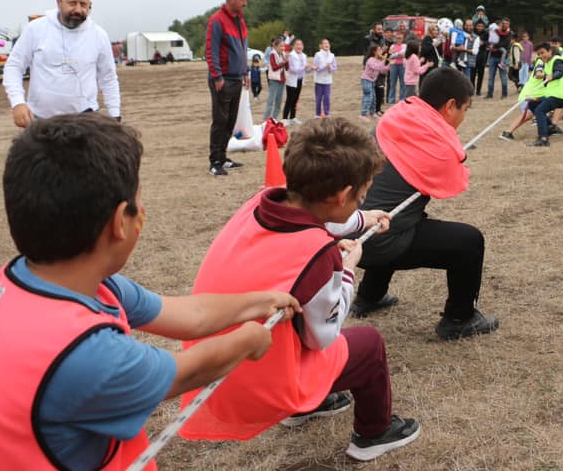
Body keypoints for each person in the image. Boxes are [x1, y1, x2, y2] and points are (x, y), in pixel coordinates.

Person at [0, 113, 301, 470]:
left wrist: (261, 301)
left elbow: (189, 315)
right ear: (118, 224)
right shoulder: (87, 353)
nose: (143, 210)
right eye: (138, 202)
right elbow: (184, 372)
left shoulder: (35, 282)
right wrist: (247, 341)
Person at [177, 118, 420, 462]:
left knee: (298, 321)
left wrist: (365, 219)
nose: (362, 201)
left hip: (217, 367)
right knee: (368, 345)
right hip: (257, 385)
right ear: (342, 195)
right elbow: (322, 336)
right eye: (362, 195)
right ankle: (373, 433)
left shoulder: (263, 202)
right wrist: (347, 271)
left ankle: (315, 403)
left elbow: (326, 219)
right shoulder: (318, 256)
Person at [350, 68, 499, 340]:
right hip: (377, 240)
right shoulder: (433, 140)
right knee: (469, 241)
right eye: (465, 109)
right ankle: (459, 318)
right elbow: (454, 182)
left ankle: (369, 297)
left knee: (401, 218)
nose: (464, 118)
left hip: (352, 233)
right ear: (450, 105)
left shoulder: (398, 116)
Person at [4, 0, 121, 128]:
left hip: (86, 121)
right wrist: (18, 103)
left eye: (83, 4)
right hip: (41, 122)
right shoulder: (36, 29)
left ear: (89, 5)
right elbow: (14, 66)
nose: (78, 9)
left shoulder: (99, 36)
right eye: (72, 3)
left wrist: (115, 115)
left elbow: (108, 78)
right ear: (59, 3)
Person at [205, 0, 250, 176]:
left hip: (237, 77)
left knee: (230, 120)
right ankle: (215, 161)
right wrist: (217, 76)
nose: (244, 3)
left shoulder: (240, 20)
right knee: (220, 119)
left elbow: (242, 48)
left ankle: (223, 157)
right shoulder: (217, 21)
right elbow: (211, 50)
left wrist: (245, 71)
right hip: (223, 79)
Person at [525, 42, 563, 147]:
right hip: (552, 94)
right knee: (532, 104)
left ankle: (543, 139)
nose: (541, 56)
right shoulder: (547, 63)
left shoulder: (557, 60)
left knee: (540, 110)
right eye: (539, 54)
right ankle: (551, 127)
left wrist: (553, 76)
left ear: (550, 51)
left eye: (543, 53)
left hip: (560, 96)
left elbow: (559, 72)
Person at [360, 43, 389, 120]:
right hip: (366, 80)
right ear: (374, 52)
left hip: (372, 81)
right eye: (379, 50)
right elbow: (377, 67)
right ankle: (362, 114)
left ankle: (372, 113)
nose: (381, 51)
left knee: (373, 98)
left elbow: (382, 70)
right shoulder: (370, 60)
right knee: (368, 97)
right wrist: (384, 60)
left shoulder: (378, 60)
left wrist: (390, 65)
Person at [486, 18, 511, 98]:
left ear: (509, 25)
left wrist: (495, 47)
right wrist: (490, 45)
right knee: (490, 77)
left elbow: (505, 43)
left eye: (506, 23)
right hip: (493, 57)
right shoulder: (495, 31)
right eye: (503, 23)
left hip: (503, 58)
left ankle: (504, 94)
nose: (504, 25)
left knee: (503, 77)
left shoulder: (509, 33)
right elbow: (489, 39)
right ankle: (489, 94)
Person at [263, 37, 287, 121]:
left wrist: (287, 61)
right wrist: (283, 63)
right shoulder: (272, 54)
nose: (283, 48)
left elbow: (287, 68)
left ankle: (274, 120)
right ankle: (265, 121)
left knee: (278, 102)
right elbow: (274, 67)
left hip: (282, 80)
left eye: (284, 46)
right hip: (274, 80)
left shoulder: (284, 54)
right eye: (281, 46)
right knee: (271, 101)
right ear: (275, 46)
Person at [313, 39, 337, 118]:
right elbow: (316, 68)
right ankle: (317, 114)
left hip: (328, 81)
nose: (327, 45)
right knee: (318, 98)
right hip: (319, 81)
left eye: (328, 43)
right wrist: (324, 66)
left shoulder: (332, 55)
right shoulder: (318, 54)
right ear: (320, 45)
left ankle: (326, 114)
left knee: (327, 98)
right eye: (325, 43)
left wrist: (330, 67)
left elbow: (334, 68)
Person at [387, 33, 406, 103]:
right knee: (392, 83)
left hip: (402, 65)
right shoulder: (392, 46)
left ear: (402, 39)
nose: (398, 39)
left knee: (403, 83)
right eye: (397, 38)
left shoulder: (404, 46)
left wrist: (395, 53)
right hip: (393, 65)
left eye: (400, 38)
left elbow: (404, 54)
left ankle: (402, 99)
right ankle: (391, 100)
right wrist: (398, 54)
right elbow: (390, 56)